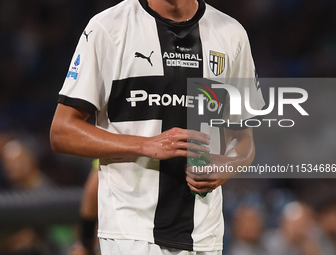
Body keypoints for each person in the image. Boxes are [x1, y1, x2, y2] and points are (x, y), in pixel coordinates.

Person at [50, 0, 264, 254]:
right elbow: (62, 132)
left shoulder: (232, 34)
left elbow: (244, 139)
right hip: (130, 229)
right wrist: (145, 145)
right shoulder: (107, 28)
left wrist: (227, 166)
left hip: (205, 234)